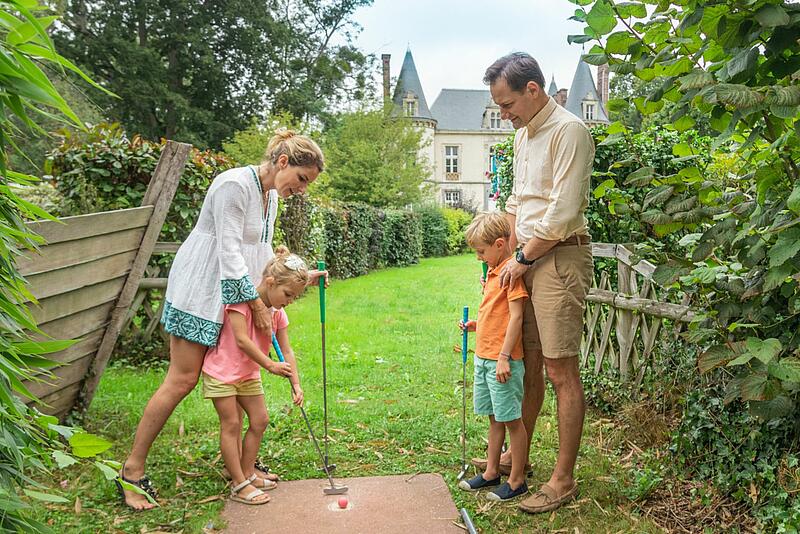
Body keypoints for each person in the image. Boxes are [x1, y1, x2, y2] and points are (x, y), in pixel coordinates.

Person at [117, 130, 326, 510]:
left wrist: (295, 277)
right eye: (301, 179)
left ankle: (241, 469)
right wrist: (257, 305)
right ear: (282, 162)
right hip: (202, 290)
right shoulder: (233, 185)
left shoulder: (271, 197)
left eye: (307, 184)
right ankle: (132, 470)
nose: (302, 189)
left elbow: (259, 252)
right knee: (182, 379)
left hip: (234, 296)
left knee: (240, 381)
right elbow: (228, 252)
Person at [473, 52, 594, 514]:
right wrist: (505, 258)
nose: (504, 115)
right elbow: (516, 203)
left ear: (533, 90)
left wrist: (522, 258)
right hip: (523, 260)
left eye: (507, 105)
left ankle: (563, 479)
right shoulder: (523, 134)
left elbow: (562, 212)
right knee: (525, 362)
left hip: (558, 257)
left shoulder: (569, 131)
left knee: (560, 370)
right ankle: (516, 458)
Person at [202, 247, 307, 505]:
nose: (290, 301)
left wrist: (295, 383)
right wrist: (270, 365)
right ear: (270, 282)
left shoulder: (277, 313)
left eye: (295, 297)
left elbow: (287, 350)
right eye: (288, 294)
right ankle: (239, 484)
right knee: (231, 424)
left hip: (248, 374)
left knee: (260, 420)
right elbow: (242, 340)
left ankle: (248, 473)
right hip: (223, 372)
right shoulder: (240, 302)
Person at [457, 212, 530, 502]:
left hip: (503, 362)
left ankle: (517, 480)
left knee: (512, 420)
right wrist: (476, 325)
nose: (478, 257)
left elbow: (516, 318)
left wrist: (503, 357)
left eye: (481, 251)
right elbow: (496, 316)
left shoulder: (510, 277)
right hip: (484, 358)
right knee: (494, 419)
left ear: (499, 245)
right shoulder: (491, 273)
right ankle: (491, 472)